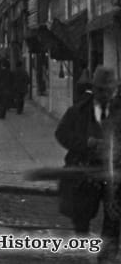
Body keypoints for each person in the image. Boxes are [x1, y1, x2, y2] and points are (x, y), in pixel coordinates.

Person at [55, 66, 121, 252]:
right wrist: (86, 143)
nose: (105, 94)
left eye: (109, 90)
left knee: (113, 219)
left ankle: (106, 257)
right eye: (100, 89)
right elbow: (62, 133)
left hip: (113, 174)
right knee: (81, 216)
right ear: (94, 88)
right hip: (85, 173)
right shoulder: (78, 111)